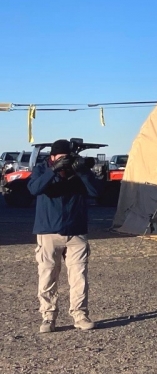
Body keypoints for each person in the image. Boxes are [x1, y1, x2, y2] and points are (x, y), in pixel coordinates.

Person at [27, 139, 102, 333]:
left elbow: (97, 192)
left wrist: (83, 171)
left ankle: (80, 315)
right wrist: (53, 171)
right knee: (47, 276)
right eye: (60, 158)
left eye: (67, 158)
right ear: (52, 157)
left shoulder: (78, 171)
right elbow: (34, 189)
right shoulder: (42, 169)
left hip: (76, 232)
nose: (64, 162)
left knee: (79, 277)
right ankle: (48, 317)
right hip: (48, 231)